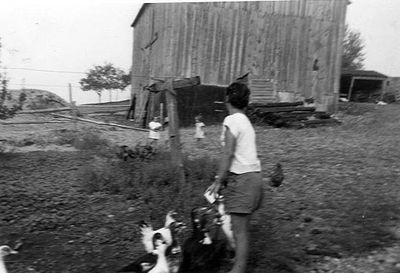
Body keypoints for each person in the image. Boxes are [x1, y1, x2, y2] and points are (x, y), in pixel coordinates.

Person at [207, 82, 263, 273]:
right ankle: (238, 263)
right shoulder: (246, 121)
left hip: (243, 180)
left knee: (239, 231)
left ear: (227, 99)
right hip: (255, 178)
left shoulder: (231, 120)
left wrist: (218, 179)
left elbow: (228, 153)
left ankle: (238, 269)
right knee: (242, 229)